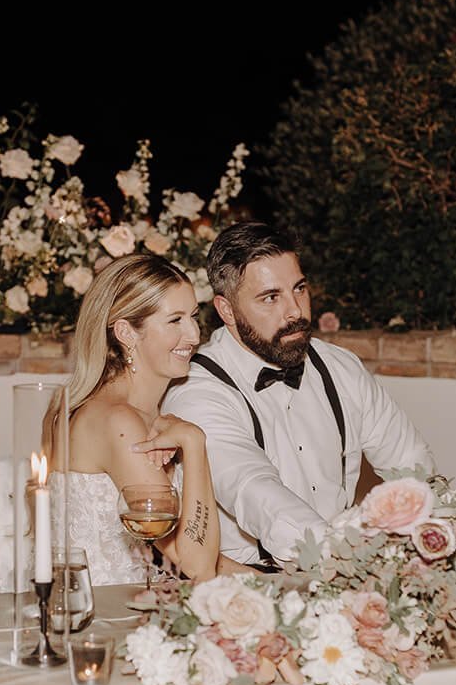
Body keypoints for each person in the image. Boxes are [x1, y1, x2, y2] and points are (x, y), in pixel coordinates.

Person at [162, 221, 435, 567]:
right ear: (226, 310)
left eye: (300, 289)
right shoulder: (197, 391)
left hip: (344, 571)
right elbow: (254, 490)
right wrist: (346, 562)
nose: (295, 311)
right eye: (271, 297)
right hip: (244, 584)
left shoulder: (340, 367)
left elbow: (412, 464)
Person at [40, 253, 234, 585]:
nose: (194, 335)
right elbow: (197, 566)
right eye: (174, 321)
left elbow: (172, 547)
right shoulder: (119, 422)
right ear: (127, 333)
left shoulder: (111, 407)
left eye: (193, 316)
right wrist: (194, 443)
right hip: (105, 618)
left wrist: (277, 578)